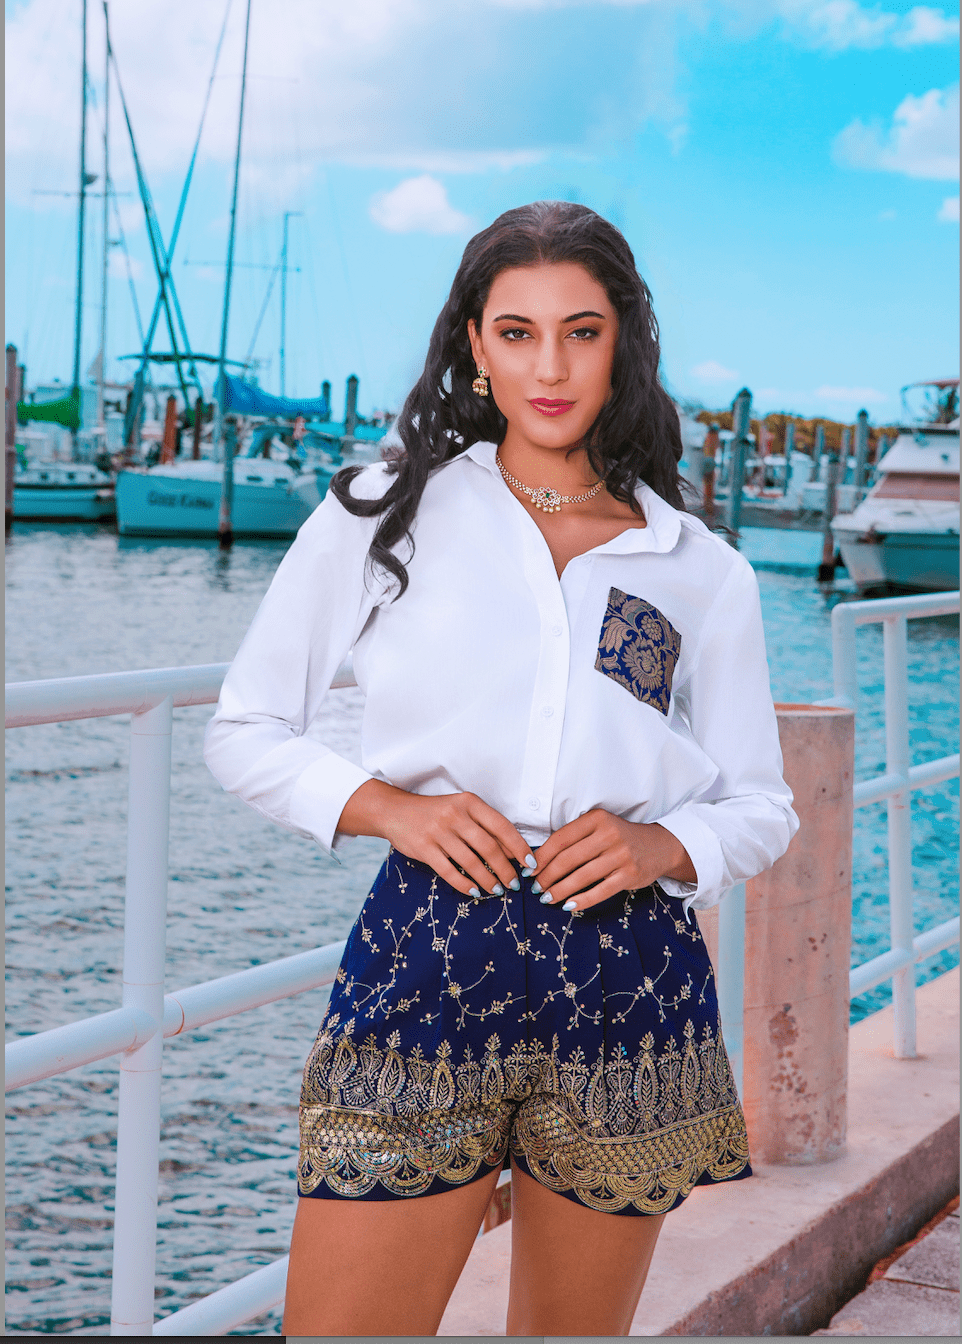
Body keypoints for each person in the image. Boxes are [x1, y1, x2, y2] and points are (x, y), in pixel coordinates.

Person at [204, 200, 798, 1337]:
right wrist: (385, 809)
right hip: (429, 948)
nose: (549, 365)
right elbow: (245, 727)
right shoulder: (382, 514)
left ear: (622, 339)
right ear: (472, 345)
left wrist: (661, 843)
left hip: (628, 973)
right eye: (516, 332)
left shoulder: (696, 564)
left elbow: (759, 802)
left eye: (579, 330)